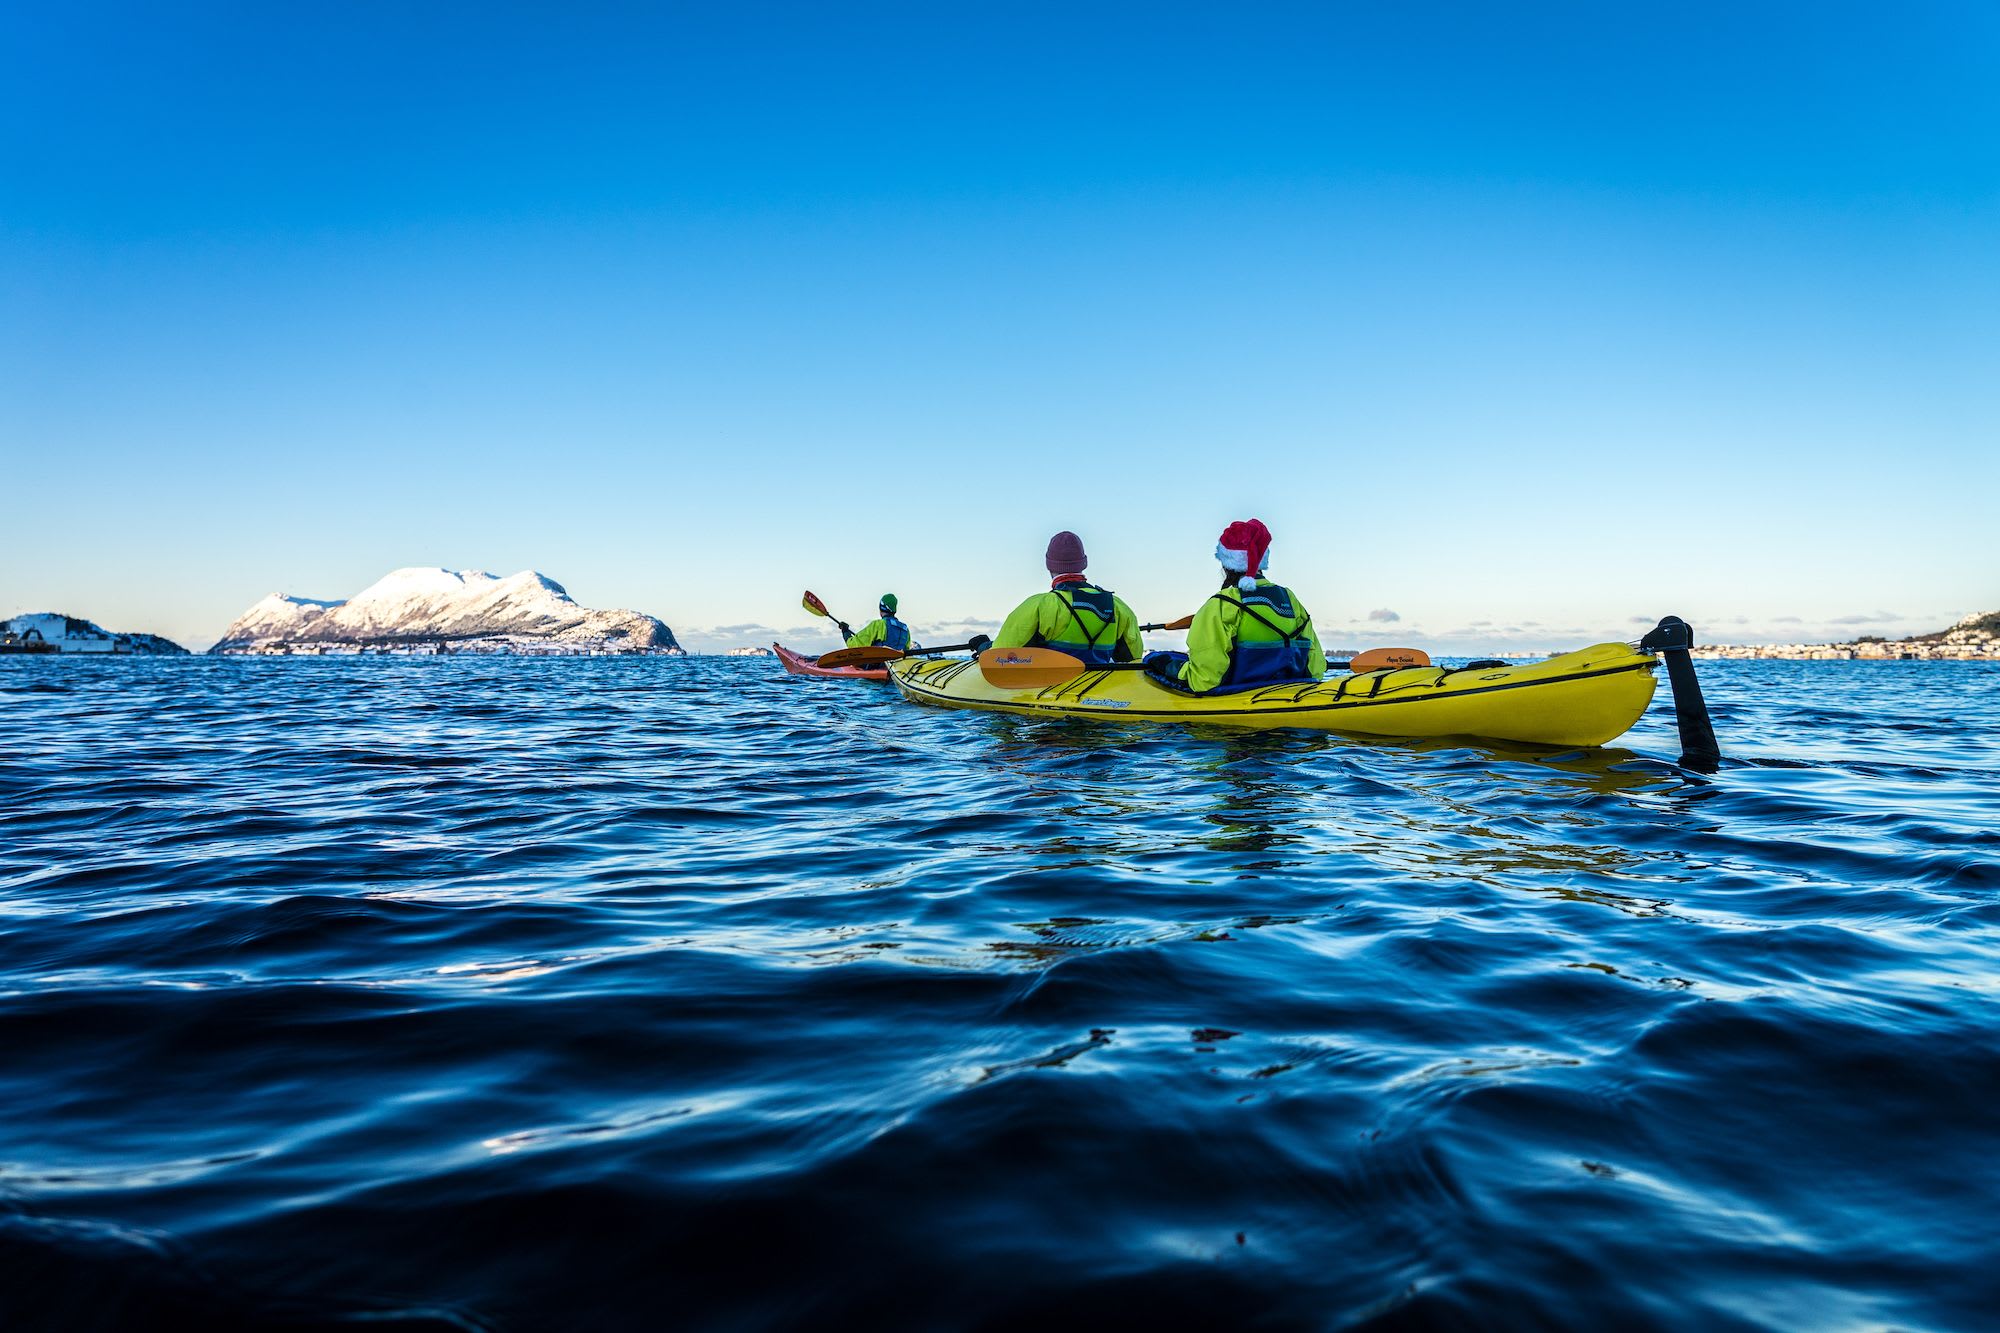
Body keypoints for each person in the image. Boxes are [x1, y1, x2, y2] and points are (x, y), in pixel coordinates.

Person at [1148, 518, 1326, 692]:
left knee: (1156, 658)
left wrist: (1166, 666)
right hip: (1292, 688)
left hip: (1239, 693)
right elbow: (1316, 668)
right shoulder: (1289, 598)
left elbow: (1203, 680)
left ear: (1226, 564)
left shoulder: (1221, 604)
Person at [992, 531, 1144, 665]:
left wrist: (984, 647)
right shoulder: (1118, 606)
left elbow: (1000, 656)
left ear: (1049, 566)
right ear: (1083, 564)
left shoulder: (1040, 605)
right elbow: (1133, 659)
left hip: (1047, 691)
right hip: (1096, 690)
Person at [846, 594, 917, 651]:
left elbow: (854, 645)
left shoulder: (878, 625)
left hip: (878, 665)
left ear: (881, 608)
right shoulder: (905, 629)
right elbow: (906, 649)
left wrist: (846, 633)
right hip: (897, 666)